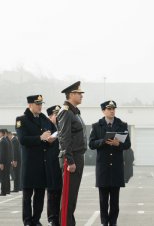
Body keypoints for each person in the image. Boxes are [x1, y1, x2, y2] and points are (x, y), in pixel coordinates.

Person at [88, 100, 131, 226]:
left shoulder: (122, 124)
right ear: (103, 111)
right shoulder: (96, 126)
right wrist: (103, 141)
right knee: (103, 199)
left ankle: (113, 222)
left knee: (115, 200)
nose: (112, 111)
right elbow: (91, 144)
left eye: (113, 108)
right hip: (103, 167)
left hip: (116, 167)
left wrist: (119, 144)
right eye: (109, 109)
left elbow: (128, 144)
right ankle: (104, 222)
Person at [16, 94, 56, 226]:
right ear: (30, 105)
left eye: (41, 104)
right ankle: (27, 221)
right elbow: (22, 140)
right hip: (30, 163)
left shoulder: (44, 118)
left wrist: (51, 139)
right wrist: (40, 138)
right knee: (27, 195)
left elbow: (55, 131)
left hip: (42, 163)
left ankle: (36, 219)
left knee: (39, 195)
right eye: (37, 104)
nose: (40, 106)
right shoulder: (21, 120)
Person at [57, 81, 87, 226]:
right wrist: (70, 160)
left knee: (72, 196)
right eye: (79, 93)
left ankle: (69, 222)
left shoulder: (74, 112)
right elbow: (64, 138)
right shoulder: (66, 112)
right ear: (71, 94)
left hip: (77, 156)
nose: (81, 96)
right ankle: (65, 223)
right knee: (68, 196)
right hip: (71, 158)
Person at [46, 105, 63, 226]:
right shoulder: (46, 128)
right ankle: (52, 218)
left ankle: (61, 216)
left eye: (58, 114)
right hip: (51, 164)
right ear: (50, 116)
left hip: (62, 164)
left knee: (62, 191)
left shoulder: (64, 127)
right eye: (55, 114)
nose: (57, 117)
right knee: (52, 192)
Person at [0, 129, 12, 196]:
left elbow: (2, 153)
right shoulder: (5, 140)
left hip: (4, 162)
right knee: (6, 176)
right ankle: (6, 190)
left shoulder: (2, 141)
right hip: (7, 161)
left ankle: (3, 191)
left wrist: (1, 163)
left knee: (3, 177)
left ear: (1, 133)